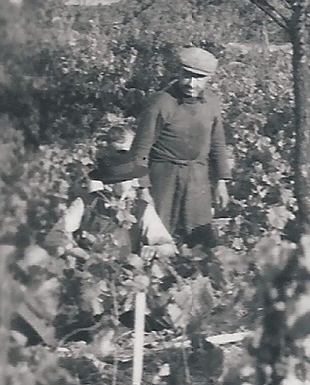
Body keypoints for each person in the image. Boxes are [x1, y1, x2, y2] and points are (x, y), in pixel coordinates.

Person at [128, 47, 233, 247]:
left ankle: (197, 274)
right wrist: (143, 188)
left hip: (198, 175)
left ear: (209, 78)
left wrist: (221, 181)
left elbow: (218, 143)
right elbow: (140, 150)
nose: (191, 84)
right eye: (187, 75)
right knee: (159, 233)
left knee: (200, 233)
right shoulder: (161, 102)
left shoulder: (211, 103)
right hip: (164, 174)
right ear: (179, 72)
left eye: (199, 78)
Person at [47, 122, 175, 255]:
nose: (133, 184)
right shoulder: (86, 203)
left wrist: (155, 249)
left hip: (127, 269)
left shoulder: (141, 209)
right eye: (126, 180)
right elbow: (54, 237)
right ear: (109, 183)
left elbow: (169, 246)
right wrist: (72, 250)